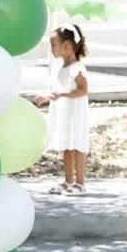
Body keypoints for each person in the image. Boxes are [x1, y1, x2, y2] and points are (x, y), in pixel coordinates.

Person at [34, 24, 90, 195]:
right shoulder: (60, 68)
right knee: (65, 145)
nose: (51, 49)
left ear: (66, 46)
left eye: (53, 45)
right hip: (64, 113)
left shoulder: (77, 68)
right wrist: (48, 96)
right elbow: (59, 90)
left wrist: (61, 94)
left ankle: (80, 183)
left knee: (77, 146)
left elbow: (83, 90)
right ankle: (68, 180)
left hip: (75, 113)